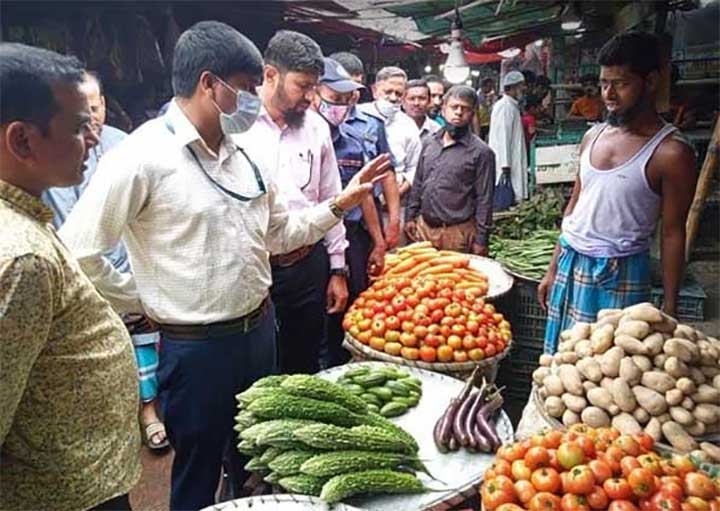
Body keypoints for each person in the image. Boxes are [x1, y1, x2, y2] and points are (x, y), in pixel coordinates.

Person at [58, 21, 390, 510]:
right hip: (197, 352)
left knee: (256, 462)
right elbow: (79, 253)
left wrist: (339, 205)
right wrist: (140, 296)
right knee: (197, 472)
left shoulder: (247, 156)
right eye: (247, 88)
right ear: (209, 84)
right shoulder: (141, 157)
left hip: (259, 334)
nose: (254, 100)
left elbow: (279, 235)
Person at [0, 42, 141, 511]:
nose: (95, 140)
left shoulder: (24, 220)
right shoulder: (24, 259)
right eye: (80, 128)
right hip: (64, 493)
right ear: (22, 140)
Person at [538, 31, 697, 353]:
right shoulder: (592, 137)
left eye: (621, 83)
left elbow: (672, 233)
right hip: (571, 260)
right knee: (560, 363)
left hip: (619, 271)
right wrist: (553, 267)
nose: (609, 94)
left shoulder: (670, 153)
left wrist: (670, 305)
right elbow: (574, 206)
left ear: (650, 81)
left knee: (611, 370)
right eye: (603, 83)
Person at [41, 71, 168, 452]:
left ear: (104, 106)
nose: (91, 124)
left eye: (93, 109)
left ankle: (148, 411)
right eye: (80, 116)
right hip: (75, 271)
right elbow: (69, 226)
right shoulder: (53, 158)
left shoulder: (122, 145)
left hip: (124, 264)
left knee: (142, 342)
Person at [240, 31, 348, 375]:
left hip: (306, 265)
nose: (310, 96)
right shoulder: (235, 126)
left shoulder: (316, 128)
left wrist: (337, 268)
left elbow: (332, 198)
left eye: (314, 86)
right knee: (258, 364)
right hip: (255, 268)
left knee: (303, 360)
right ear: (270, 75)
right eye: (302, 86)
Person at [405, 85, 496, 255]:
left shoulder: (481, 152)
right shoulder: (429, 143)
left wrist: (481, 239)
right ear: (444, 108)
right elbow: (418, 182)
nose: (459, 113)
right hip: (424, 229)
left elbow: (485, 199)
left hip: (457, 233)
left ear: (473, 113)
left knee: (453, 280)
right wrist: (410, 216)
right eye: (454, 107)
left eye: (465, 109)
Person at [329, 52, 401, 253]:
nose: (352, 94)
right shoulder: (319, 127)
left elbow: (386, 173)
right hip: (330, 221)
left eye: (356, 87)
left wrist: (393, 221)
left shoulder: (372, 124)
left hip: (366, 221)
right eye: (346, 86)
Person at [359, 67, 422, 203]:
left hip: (396, 199)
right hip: (359, 196)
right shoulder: (359, 115)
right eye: (388, 92)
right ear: (375, 91)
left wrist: (396, 195)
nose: (393, 98)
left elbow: (414, 167)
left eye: (399, 94)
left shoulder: (408, 125)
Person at [488, 70, 528, 203]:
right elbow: (503, 136)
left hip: (511, 159)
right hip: (506, 163)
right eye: (520, 86)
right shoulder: (504, 107)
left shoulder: (512, 106)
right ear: (511, 87)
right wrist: (505, 165)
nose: (523, 89)